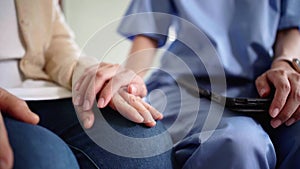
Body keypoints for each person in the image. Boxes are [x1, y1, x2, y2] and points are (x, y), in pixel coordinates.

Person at [118, 0, 300, 168]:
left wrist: (285, 63)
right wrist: (132, 83)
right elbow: (148, 31)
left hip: (263, 88)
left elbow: (291, 25)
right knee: (240, 142)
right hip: (187, 87)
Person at [0, 0, 173, 168]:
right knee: (46, 158)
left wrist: (88, 73)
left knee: (147, 145)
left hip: (43, 90)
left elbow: (54, 40)